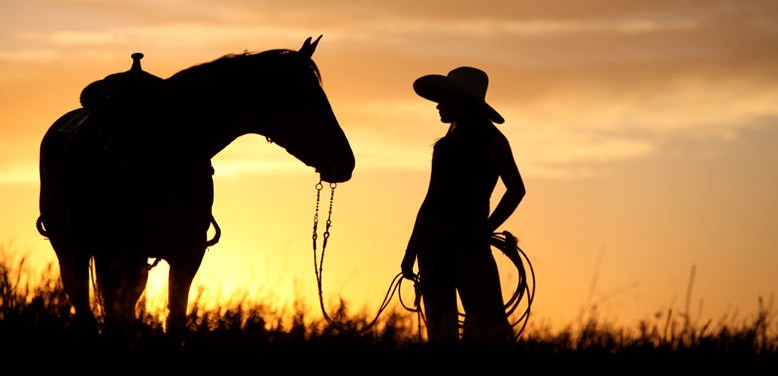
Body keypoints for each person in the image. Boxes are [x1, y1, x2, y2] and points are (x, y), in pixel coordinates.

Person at [401, 66, 526, 350]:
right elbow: (431, 198)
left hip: (458, 244)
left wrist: (484, 229)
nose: (438, 105)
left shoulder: (490, 141)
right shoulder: (450, 145)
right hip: (440, 244)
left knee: (477, 324)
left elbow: (516, 189)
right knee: (457, 324)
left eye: (444, 99)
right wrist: (411, 250)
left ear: (461, 102)